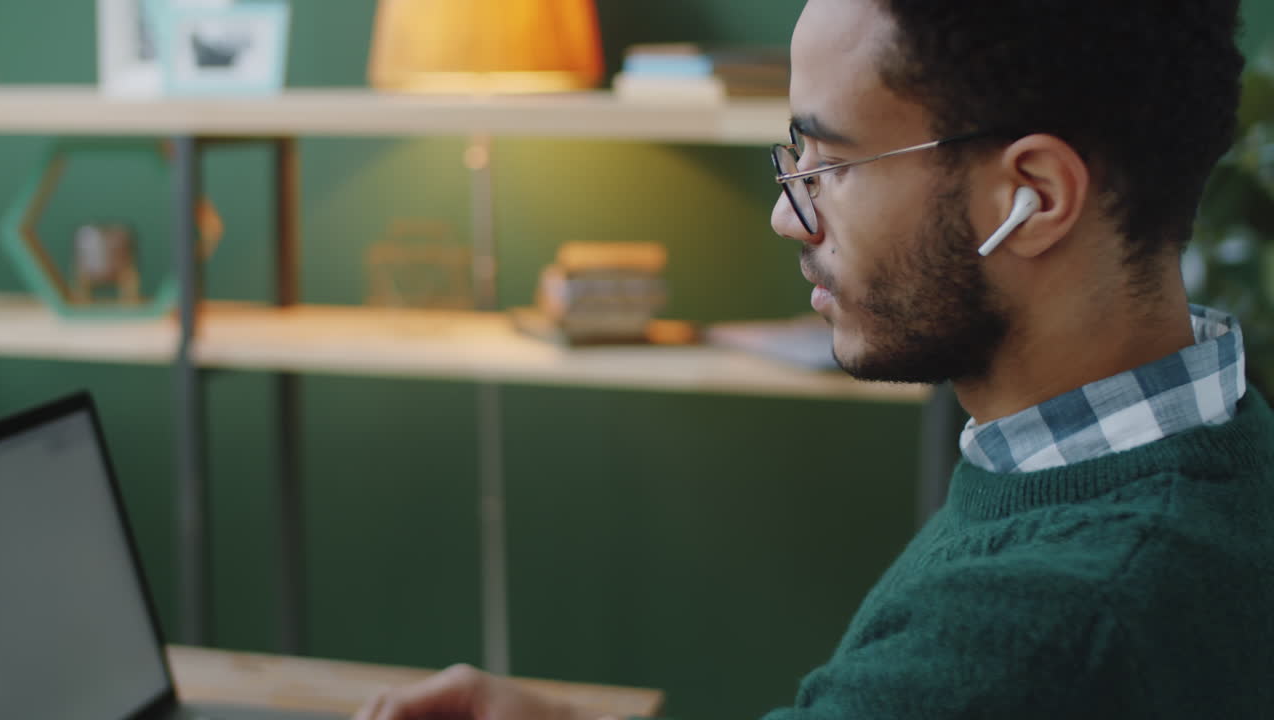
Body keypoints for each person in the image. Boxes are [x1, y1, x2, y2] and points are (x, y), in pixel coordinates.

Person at [354, 0, 1274, 717]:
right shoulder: (1218, 444)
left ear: (1028, 196)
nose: (788, 213)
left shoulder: (1043, 628)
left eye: (829, 163)